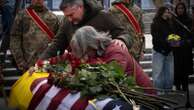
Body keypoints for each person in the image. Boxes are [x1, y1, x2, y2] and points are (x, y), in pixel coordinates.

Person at [70, 26, 154, 94]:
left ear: (91, 45)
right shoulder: (96, 52)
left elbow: (110, 81)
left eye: (85, 52)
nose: (85, 56)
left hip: (142, 95)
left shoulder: (116, 51)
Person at [39, 0, 133, 60]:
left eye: (71, 15)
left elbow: (125, 34)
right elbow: (56, 45)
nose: (69, 19)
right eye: (66, 16)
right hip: (80, 70)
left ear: (80, 7)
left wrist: (122, 40)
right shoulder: (67, 21)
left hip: (105, 69)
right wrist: (39, 63)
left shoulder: (103, 16)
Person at [9, 0, 59, 72]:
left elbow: (57, 41)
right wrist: (21, 62)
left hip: (47, 64)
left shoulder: (53, 17)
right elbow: (15, 39)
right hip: (28, 64)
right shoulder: (22, 16)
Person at [151, 6, 174, 94]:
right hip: (159, 51)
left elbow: (173, 35)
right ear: (161, 13)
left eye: (168, 12)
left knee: (169, 73)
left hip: (169, 51)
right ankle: (159, 92)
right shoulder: (155, 23)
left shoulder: (170, 23)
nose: (168, 13)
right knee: (158, 74)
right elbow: (156, 38)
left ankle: (168, 91)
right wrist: (166, 42)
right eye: (166, 12)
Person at [173, 2, 193, 91]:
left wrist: (188, 42)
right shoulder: (173, 20)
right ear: (176, 10)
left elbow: (191, 34)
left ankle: (185, 85)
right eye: (178, 8)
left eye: (182, 8)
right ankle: (177, 85)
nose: (180, 10)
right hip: (177, 48)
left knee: (185, 67)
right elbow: (171, 34)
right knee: (177, 67)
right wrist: (176, 43)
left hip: (186, 48)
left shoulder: (189, 20)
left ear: (184, 9)